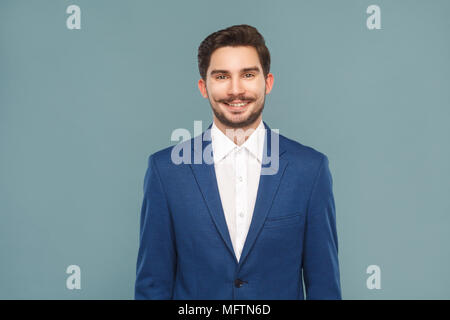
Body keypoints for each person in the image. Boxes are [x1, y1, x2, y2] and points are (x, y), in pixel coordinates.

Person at [135, 24, 341, 300]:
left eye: (248, 75)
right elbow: (153, 287)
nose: (235, 90)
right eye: (221, 76)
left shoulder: (310, 170)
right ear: (203, 87)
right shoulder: (166, 171)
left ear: (267, 82)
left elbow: (324, 287)